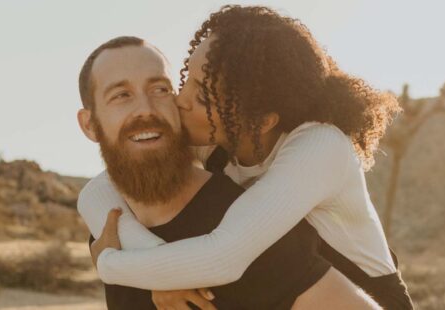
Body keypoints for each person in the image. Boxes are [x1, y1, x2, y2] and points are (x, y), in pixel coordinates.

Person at [79, 5, 413, 309]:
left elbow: (222, 258)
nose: (181, 101)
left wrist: (112, 265)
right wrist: (156, 270)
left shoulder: (319, 146)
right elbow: (98, 190)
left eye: (203, 95)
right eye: (185, 81)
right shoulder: (221, 140)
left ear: (261, 120)